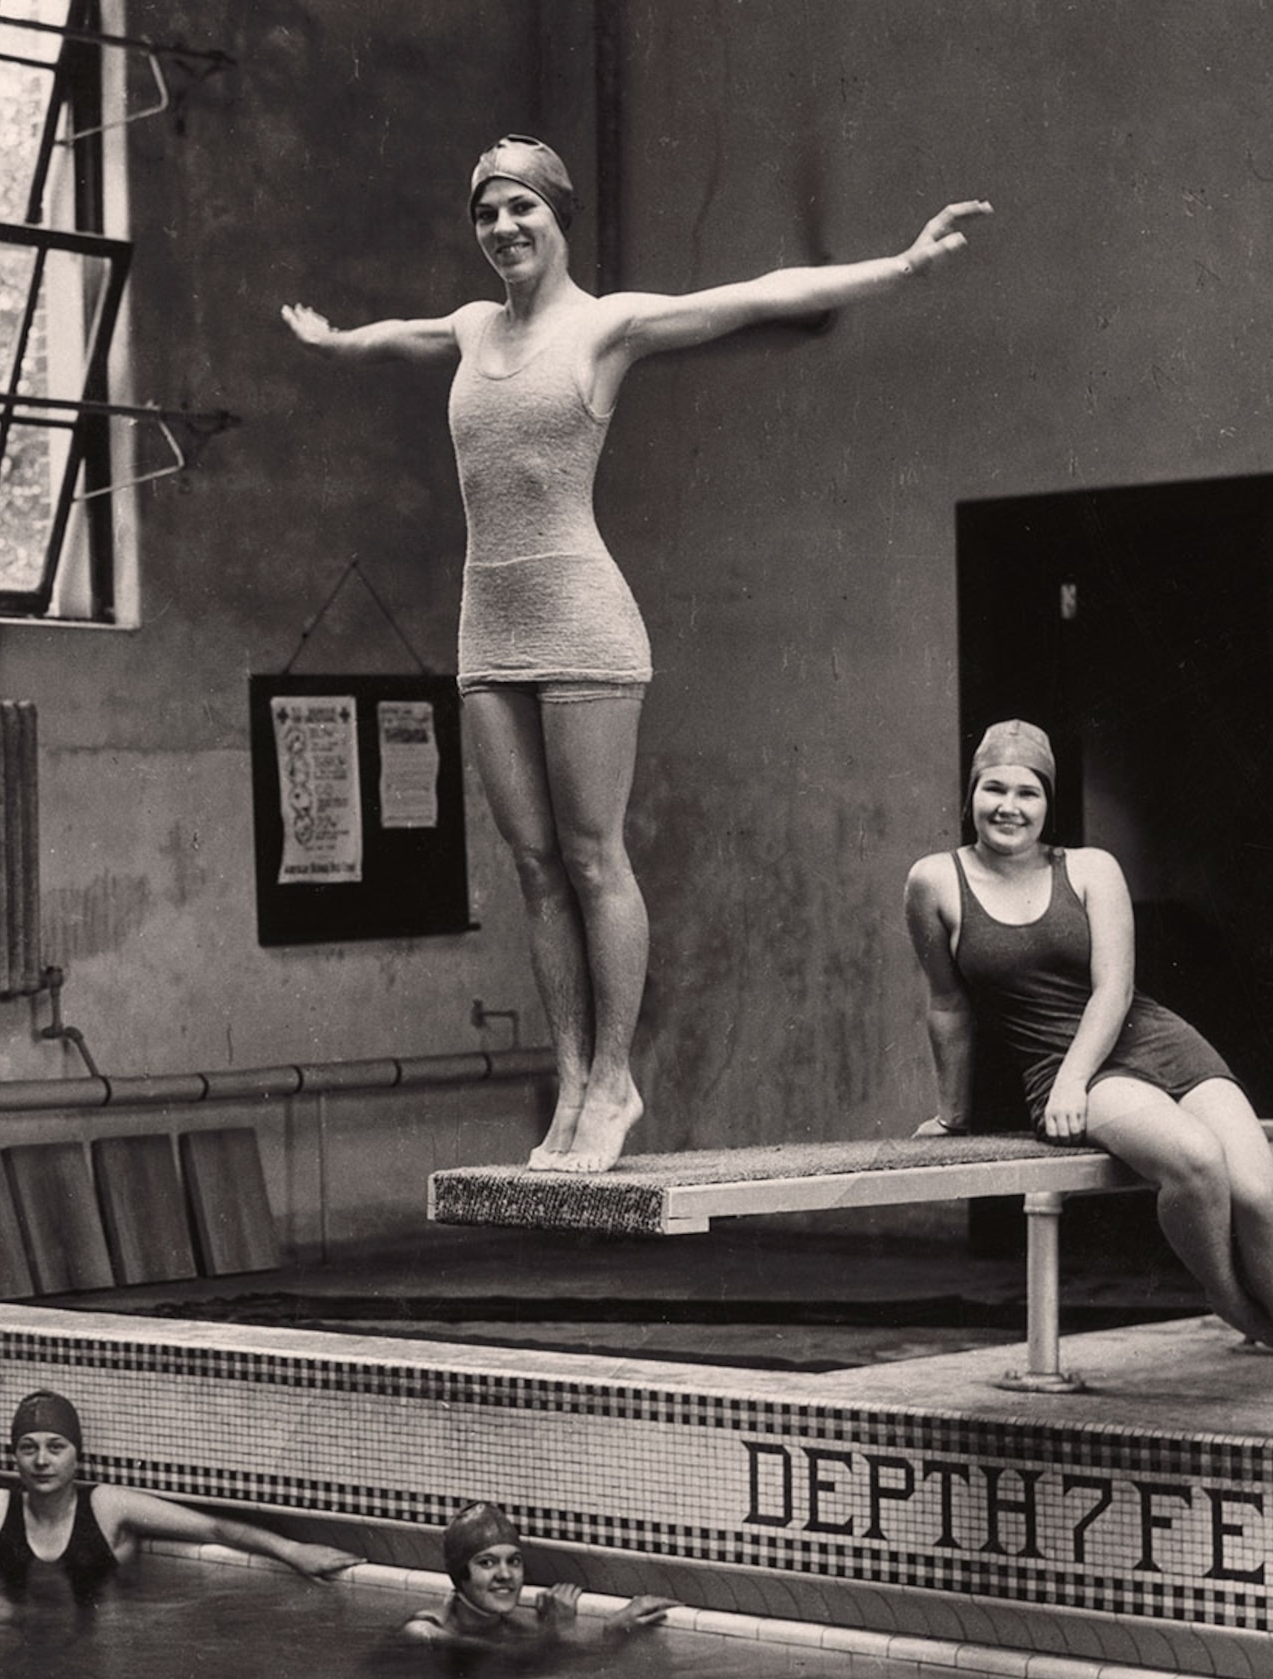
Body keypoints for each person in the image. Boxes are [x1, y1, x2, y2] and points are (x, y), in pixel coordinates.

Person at [283, 138, 990, 1171]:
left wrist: (902, 266)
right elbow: (407, 335)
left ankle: (616, 1078)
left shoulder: (606, 328)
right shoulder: (476, 324)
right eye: (486, 215)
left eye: (521, 208)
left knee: (590, 853)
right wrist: (342, 342)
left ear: (558, 217)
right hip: (490, 625)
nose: (503, 230)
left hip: (581, 617)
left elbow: (759, 293)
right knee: (532, 867)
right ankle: (570, 1082)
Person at [902, 721, 1273, 1453]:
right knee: (1195, 1160)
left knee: (1259, 1189)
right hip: (1059, 1066)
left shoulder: (1091, 869)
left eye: (1028, 791)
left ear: (1048, 801)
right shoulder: (935, 882)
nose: (1009, 806)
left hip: (1146, 1041)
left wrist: (1074, 1082)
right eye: (994, 788)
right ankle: (1227, 1293)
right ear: (972, 793)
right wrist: (952, 1115)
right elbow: (947, 1002)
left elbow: (1115, 989)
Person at [0, 1390, 365, 1598]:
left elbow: (213, 1528)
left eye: (56, 1447)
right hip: (12, 1650)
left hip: (96, 1657)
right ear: (13, 1455)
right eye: (29, 1448)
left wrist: (295, 1553)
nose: (42, 1461)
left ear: (77, 1455)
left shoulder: (108, 1507)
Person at [396, 1502, 674, 1659]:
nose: (505, 1575)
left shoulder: (509, 1626)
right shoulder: (423, 1631)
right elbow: (509, 1659)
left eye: (513, 1561)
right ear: (459, 1573)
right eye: (486, 1563)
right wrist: (602, 1632)